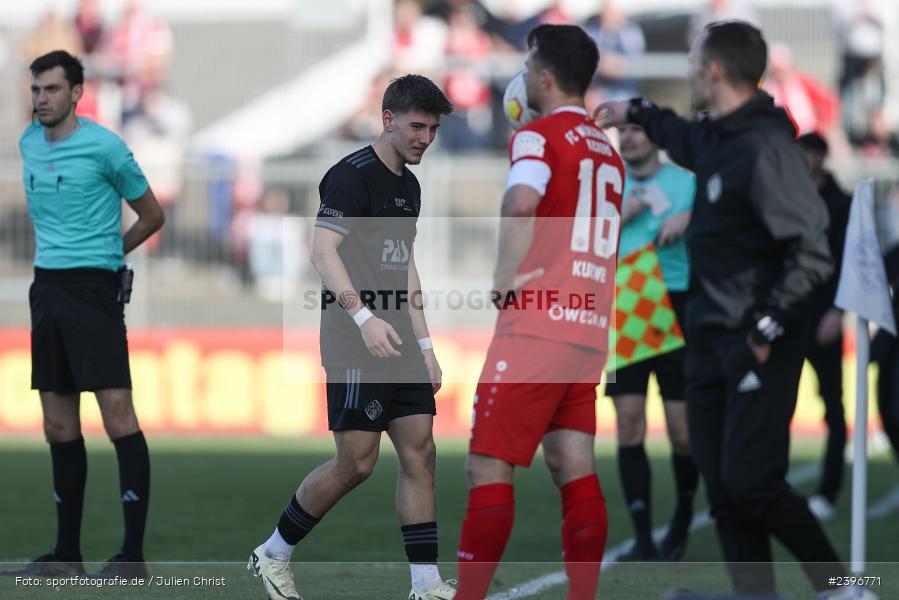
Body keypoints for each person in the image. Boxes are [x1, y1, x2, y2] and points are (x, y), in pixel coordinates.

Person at [595, 21, 861, 599]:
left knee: (752, 480)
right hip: (706, 338)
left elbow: (811, 254)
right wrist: (633, 109)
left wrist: (765, 329)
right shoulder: (714, 138)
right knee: (721, 488)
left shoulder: (766, 148)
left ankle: (846, 585)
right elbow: (678, 134)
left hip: (755, 339)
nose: (687, 71)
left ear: (713, 71)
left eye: (693, 62)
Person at [247, 75, 457, 600]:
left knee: (420, 450)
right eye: (416, 126)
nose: (425, 138)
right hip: (354, 337)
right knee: (357, 463)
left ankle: (426, 584)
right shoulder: (349, 177)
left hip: (400, 339)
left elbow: (405, 265)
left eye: (433, 129)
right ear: (387, 119)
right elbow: (322, 253)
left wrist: (426, 346)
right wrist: (364, 319)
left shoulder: (409, 185)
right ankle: (273, 554)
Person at [456, 25, 623, 600]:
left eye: (528, 67)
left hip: (537, 325)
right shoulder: (608, 150)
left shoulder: (537, 136)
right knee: (571, 461)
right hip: (587, 325)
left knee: (487, 467)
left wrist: (504, 277)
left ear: (545, 78)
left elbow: (521, 200)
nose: (523, 77)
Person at [1, 50, 164, 579]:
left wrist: (111, 252)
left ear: (76, 93)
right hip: (46, 289)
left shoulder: (105, 147)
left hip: (94, 291)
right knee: (57, 423)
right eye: (36, 90)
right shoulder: (29, 143)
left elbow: (152, 214)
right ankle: (66, 556)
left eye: (51, 90)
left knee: (118, 417)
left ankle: (131, 556)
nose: (41, 99)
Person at [606, 123, 698, 561]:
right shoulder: (608, 183)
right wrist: (616, 220)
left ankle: (681, 519)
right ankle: (643, 537)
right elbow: (575, 243)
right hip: (628, 304)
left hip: (676, 302)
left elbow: (723, 226)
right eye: (623, 131)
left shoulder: (687, 183)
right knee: (628, 422)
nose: (629, 138)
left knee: (683, 433)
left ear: (655, 138)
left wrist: (691, 220)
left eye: (638, 131)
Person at [795, 132, 852, 521]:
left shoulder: (844, 204)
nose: (806, 160)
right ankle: (771, 486)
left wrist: (838, 310)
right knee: (774, 405)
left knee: (833, 407)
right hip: (789, 314)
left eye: (811, 154)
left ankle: (828, 492)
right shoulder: (786, 195)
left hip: (825, 316)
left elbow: (853, 261)